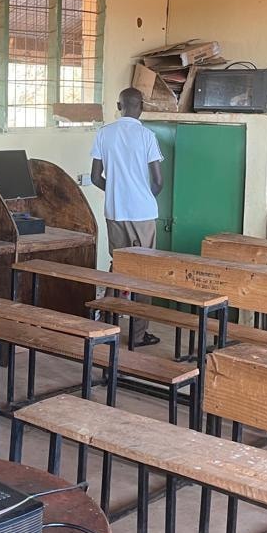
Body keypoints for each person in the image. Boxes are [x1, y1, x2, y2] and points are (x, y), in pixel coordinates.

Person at [90, 86, 164, 346]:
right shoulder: (147, 136)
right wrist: (143, 196)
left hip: (114, 211)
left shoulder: (104, 134)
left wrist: (115, 192)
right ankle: (138, 334)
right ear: (141, 107)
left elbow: (94, 177)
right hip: (143, 213)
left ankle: (107, 327)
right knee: (144, 273)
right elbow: (158, 181)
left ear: (119, 106)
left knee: (118, 266)